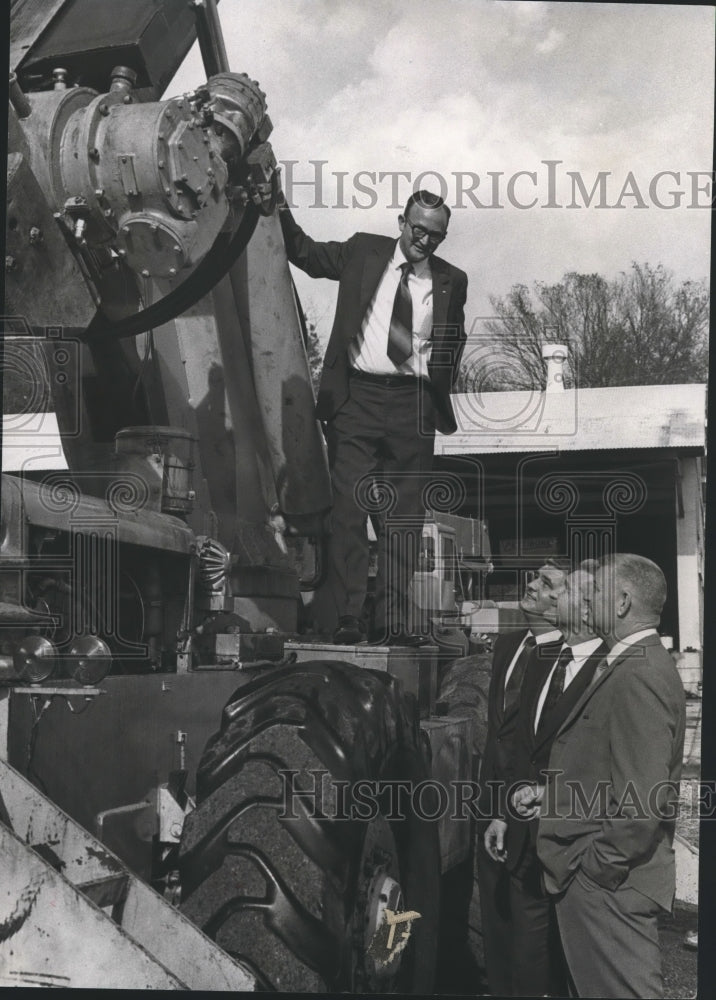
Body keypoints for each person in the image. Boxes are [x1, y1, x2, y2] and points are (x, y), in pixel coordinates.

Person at [278, 189, 467, 645]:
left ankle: (394, 622)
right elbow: (303, 252)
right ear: (402, 221)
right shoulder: (363, 250)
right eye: (417, 229)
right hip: (357, 399)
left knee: (403, 518)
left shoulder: (452, 280)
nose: (424, 240)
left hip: (413, 405)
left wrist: (432, 394)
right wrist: (275, 203)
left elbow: (452, 341)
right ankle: (348, 618)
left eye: (434, 236)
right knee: (349, 509)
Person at [530, 553, 686, 999]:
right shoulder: (629, 664)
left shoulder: (639, 674)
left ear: (620, 602)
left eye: (594, 591)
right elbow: (608, 769)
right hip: (601, 880)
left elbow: (642, 798)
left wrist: (596, 869)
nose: (583, 601)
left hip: (607, 886)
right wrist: (550, 796)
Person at [484, 562, 607, 996]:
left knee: (568, 959)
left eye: (559, 587)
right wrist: (502, 811)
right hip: (515, 827)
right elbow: (519, 741)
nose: (535, 587)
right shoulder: (531, 657)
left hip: (571, 841)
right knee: (519, 947)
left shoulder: (608, 671)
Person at [476, 560, 566, 995]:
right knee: (495, 917)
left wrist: (514, 808)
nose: (531, 585)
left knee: (532, 929)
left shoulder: (568, 660)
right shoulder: (508, 645)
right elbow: (499, 732)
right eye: (535, 577)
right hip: (489, 804)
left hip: (529, 810)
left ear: (564, 601)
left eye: (546, 583)